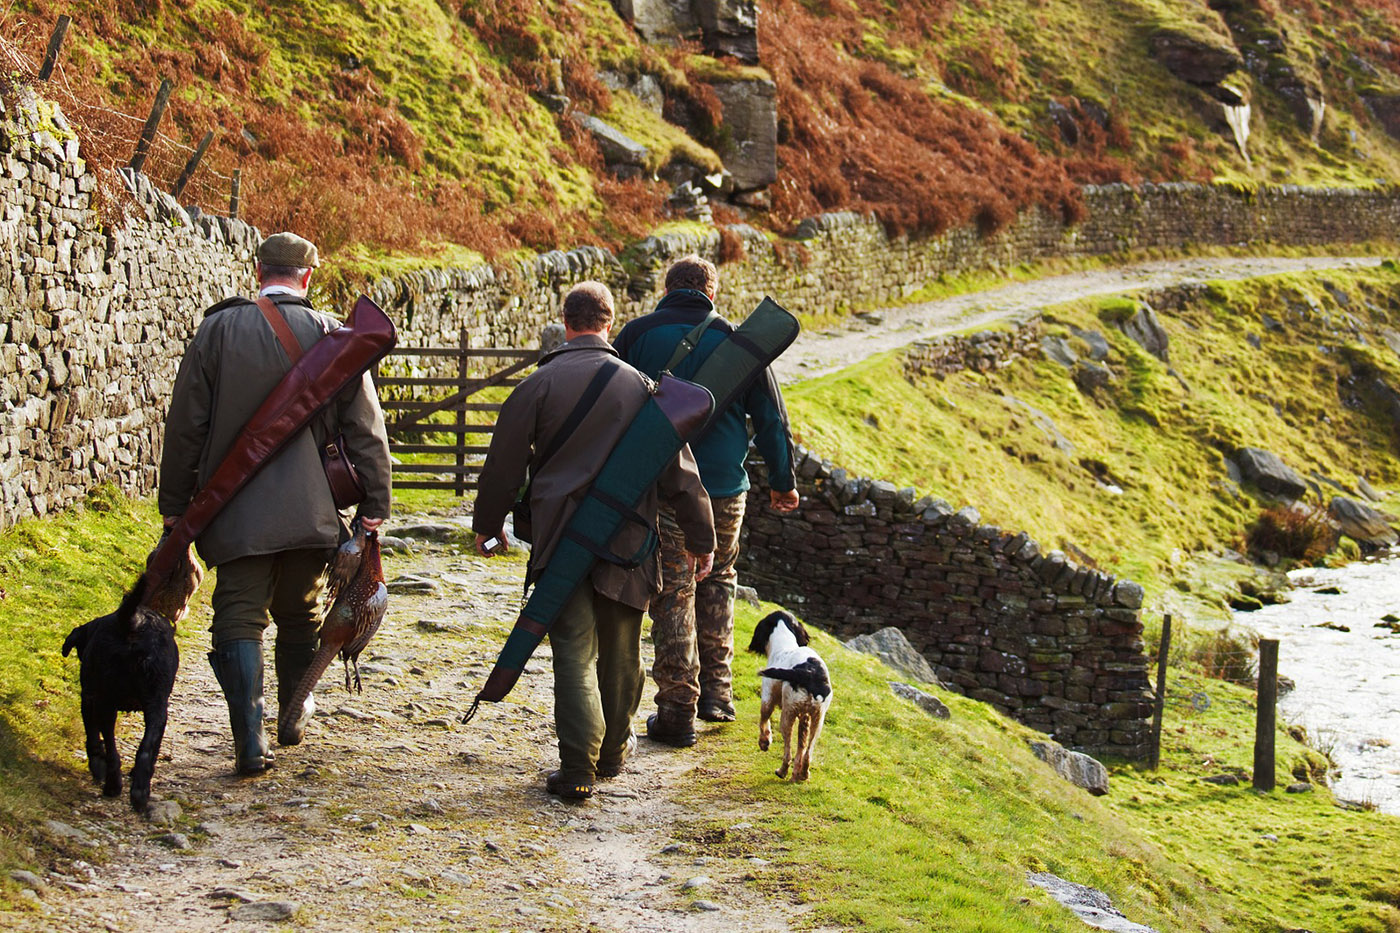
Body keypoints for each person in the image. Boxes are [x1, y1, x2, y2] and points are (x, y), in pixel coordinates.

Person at [159, 231, 392, 775]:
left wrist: (176, 507)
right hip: (313, 513)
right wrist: (374, 506)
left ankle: (249, 739)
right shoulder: (334, 335)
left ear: (257, 269)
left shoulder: (217, 329)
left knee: (237, 617)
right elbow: (365, 429)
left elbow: (186, 425)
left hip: (234, 512)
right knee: (300, 612)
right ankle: (293, 712)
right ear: (308, 276)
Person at [473, 281, 715, 798]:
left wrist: (488, 525)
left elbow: (503, 466)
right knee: (623, 652)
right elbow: (681, 474)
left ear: (567, 322)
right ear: (610, 322)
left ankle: (578, 767)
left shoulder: (537, 385)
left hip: (560, 540)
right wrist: (702, 538)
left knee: (573, 652)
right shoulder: (643, 388)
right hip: (627, 543)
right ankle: (611, 754)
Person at [613, 255, 799, 746]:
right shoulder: (739, 343)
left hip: (664, 484)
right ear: (711, 293)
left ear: (667, 288)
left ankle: (678, 708)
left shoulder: (635, 335)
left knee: (674, 587)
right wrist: (783, 483)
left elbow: (610, 403)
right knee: (719, 579)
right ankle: (717, 694)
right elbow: (772, 421)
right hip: (723, 487)